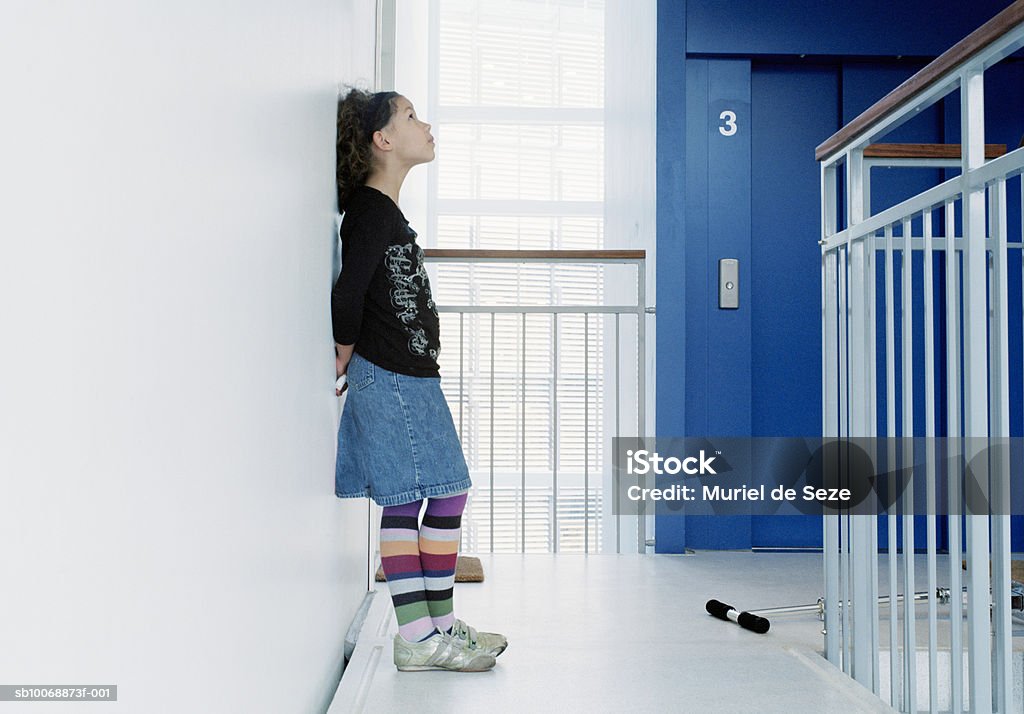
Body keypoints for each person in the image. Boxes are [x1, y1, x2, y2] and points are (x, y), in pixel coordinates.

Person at [331, 88, 508, 673]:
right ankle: (419, 636)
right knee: (412, 501)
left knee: (439, 493)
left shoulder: (382, 209)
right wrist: (343, 355)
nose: (425, 124)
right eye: (410, 116)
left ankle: (436, 626)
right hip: (390, 376)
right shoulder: (369, 210)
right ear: (383, 139)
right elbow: (349, 291)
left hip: (409, 377)